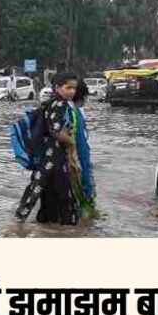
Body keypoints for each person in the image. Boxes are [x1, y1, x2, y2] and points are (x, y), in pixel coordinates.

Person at [15, 72, 81, 225]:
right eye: (68, 87)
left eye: (74, 88)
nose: (72, 91)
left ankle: (33, 222)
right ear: (57, 88)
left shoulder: (52, 102)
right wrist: (72, 145)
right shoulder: (59, 104)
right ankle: (66, 224)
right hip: (52, 158)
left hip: (49, 156)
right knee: (52, 191)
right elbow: (56, 131)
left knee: (43, 190)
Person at [67, 78, 96, 218]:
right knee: (84, 215)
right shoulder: (75, 114)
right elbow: (82, 150)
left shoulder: (65, 110)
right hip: (76, 168)